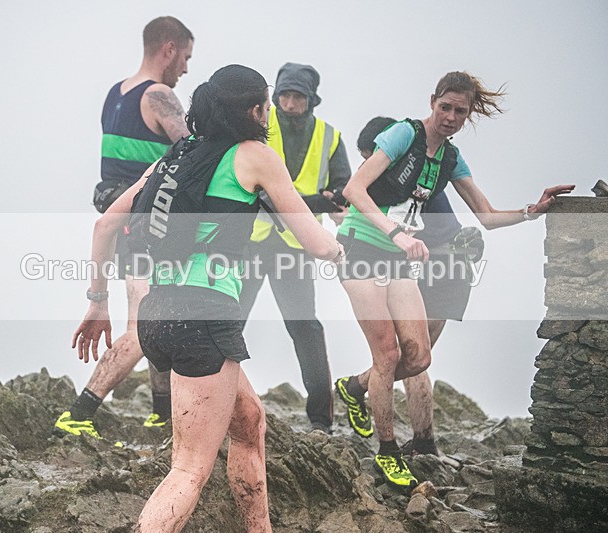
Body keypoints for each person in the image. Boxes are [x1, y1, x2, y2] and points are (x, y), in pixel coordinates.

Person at [72, 64, 344, 533]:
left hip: (157, 316)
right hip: (203, 320)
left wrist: (98, 303)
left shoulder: (177, 155)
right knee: (189, 469)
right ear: (256, 110)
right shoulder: (255, 155)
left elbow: (105, 225)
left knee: (250, 422)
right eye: (265, 108)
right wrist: (341, 248)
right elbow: (317, 243)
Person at [334, 71, 574, 492]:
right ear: (432, 101)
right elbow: (355, 189)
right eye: (444, 107)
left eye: (459, 112)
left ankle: (355, 387)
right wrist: (397, 234)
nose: (450, 117)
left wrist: (533, 210)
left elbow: (486, 216)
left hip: (397, 257)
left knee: (420, 358)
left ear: (468, 116)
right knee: (387, 354)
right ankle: (388, 453)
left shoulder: (450, 159)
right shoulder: (400, 135)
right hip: (360, 247)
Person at [55, 16, 194, 441]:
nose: (186, 69)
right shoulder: (160, 95)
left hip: (120, 213)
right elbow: (191, 153)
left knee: (151, 310)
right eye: (186, 57)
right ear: (168, 49)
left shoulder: (116, 93)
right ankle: (80, 412)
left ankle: (160, 411)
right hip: (142, 220)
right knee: (144, 324)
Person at [335, 116, 485, 457]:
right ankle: (421, 440)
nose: (368, 167)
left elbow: (397, 222)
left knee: (409, 357)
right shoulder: (413, 175)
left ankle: (416, 437)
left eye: (369, 157)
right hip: (444, 265)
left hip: (439, 266)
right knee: (404, 356)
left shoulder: (410, 176)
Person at [240, 63, 352, 434]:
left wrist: (321, 201)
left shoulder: (330, 137)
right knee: (230, 322)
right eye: (284, 95)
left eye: (297, 96)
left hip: (295, 247)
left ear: (311, 100)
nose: (289, 103)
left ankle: (320, 420)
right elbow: (249, 183)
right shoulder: (258, 125)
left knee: (304, 327)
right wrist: (314, 202)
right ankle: (218, 400)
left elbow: (342, 194)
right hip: (253, 242)